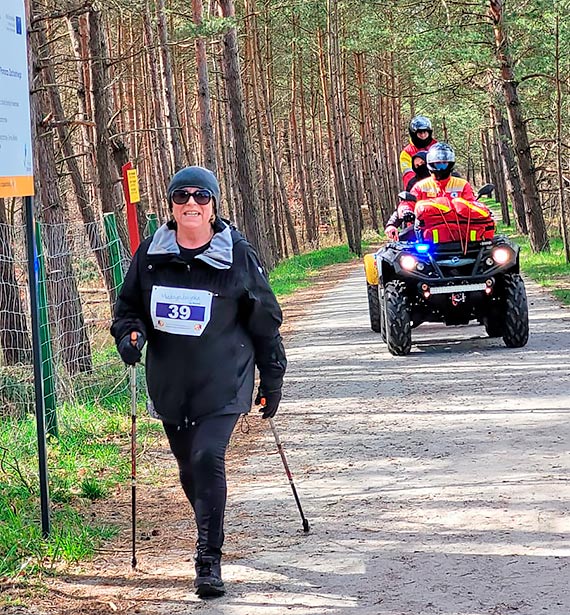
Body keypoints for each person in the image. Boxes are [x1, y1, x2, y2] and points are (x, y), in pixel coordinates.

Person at [110, 165, 287, 598]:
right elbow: (128, 307)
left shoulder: (237, 254)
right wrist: (130, 335)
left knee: (209, 457)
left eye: (201, 197)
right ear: (170, 205)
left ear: (213, 207)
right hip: (171, 382)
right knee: (189, 468)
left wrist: (273, 377)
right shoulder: (151, 253)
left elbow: (265, 320)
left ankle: (208, 558)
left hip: (225, 378)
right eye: (182, 196)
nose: (191, 203)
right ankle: (208, 519)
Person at [399, 115, 437, 189]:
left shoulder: (437, 147)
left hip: (440, 185)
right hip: (419, 187)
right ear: (413, 134)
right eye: (420, 133)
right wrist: (414, 184)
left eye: (425, 132)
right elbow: (408, 173)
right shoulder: (407, 152)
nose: (423, 135)